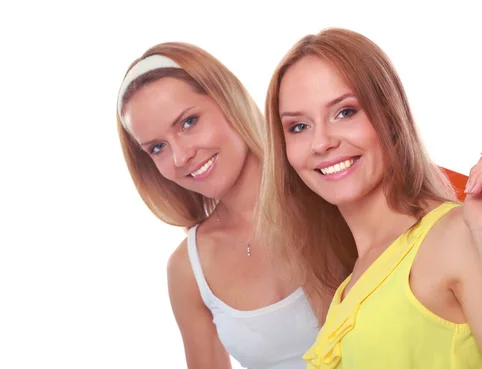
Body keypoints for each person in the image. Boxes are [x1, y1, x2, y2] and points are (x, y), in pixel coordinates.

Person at [259, 28, 482, 369]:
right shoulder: (352, 279)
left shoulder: (454, 236)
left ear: (390, 116)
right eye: (298, 127)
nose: (321, 143)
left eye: (345, 112)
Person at [115, 42, 331, 369]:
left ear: (228, 99)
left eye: (188, 122)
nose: (180, 156)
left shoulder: (332, 188)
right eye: (157, 147)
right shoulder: (189, 268)